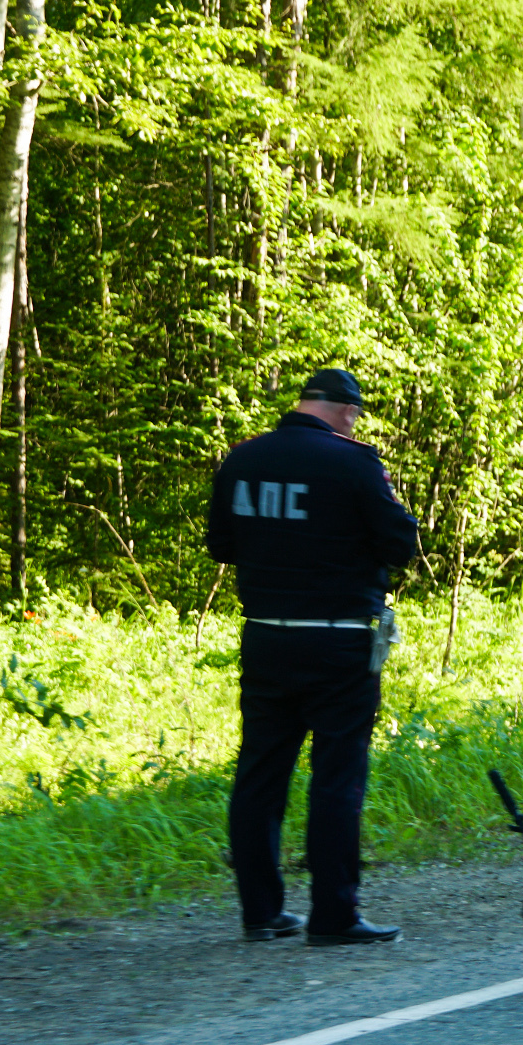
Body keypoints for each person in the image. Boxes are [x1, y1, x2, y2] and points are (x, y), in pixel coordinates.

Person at [206, 369, 420, 945]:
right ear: (346, 411)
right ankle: (334, 917)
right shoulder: (354, 464)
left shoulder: (243, 459)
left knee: (259, 774)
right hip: (337, 640)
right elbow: (402, 544)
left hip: (266, 635)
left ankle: (261, 913)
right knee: (337, 778)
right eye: (356, 413)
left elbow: (220, 544)